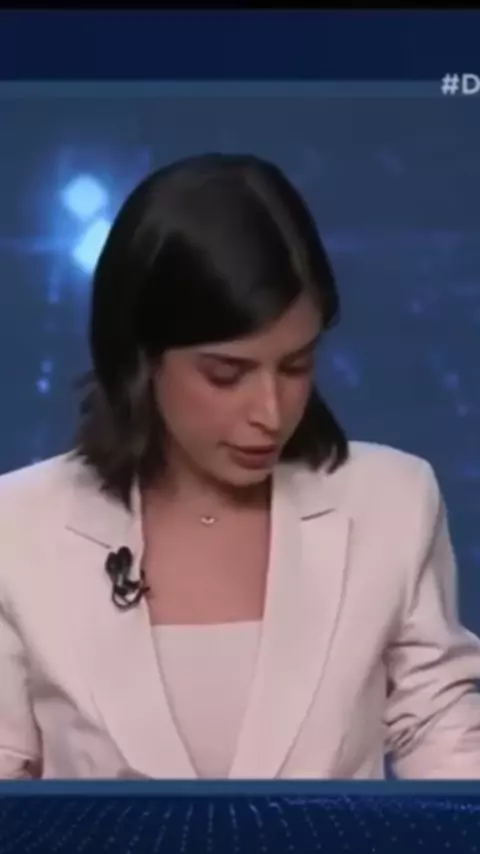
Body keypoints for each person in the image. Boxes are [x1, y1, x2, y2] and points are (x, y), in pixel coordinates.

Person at [1, 152, 480, 781]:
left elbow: (447, 746)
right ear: (141, 359)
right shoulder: (18, 528)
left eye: (296, 366)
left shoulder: (393, 504)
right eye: (227, 374)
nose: (270, 413)